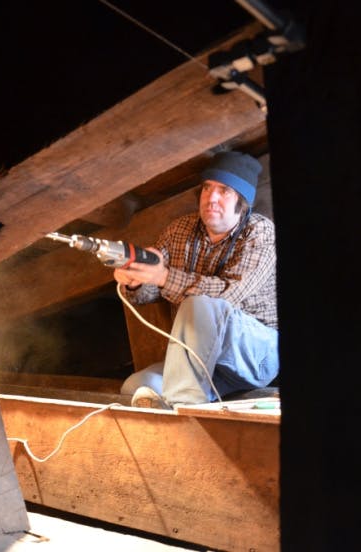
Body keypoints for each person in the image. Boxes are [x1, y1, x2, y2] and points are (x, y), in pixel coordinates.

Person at [115, 150, 278, 409]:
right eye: (207, 188)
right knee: (136, 386)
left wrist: (165, 276)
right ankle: (191, 401)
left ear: (242, 201)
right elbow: (151, 287)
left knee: (200, 304)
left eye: (224, 190)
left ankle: (187, 413)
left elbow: (227, 295)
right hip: (200, 358)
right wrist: (136, 280)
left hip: (254, 356)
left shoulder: (261, 233)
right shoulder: (180, 229)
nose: (211, 198)